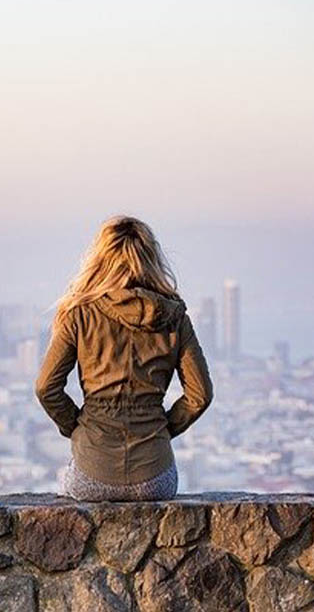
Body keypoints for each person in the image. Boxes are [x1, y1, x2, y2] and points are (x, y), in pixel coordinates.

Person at [34, 214, 214, 501]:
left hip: (92, 471)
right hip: (155, 477)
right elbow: (200, 395)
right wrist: (163, 429)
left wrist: (78, 428)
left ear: (99, 260)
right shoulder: (175, 317)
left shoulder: (79, 314)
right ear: (151, 259)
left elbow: (46, 388)